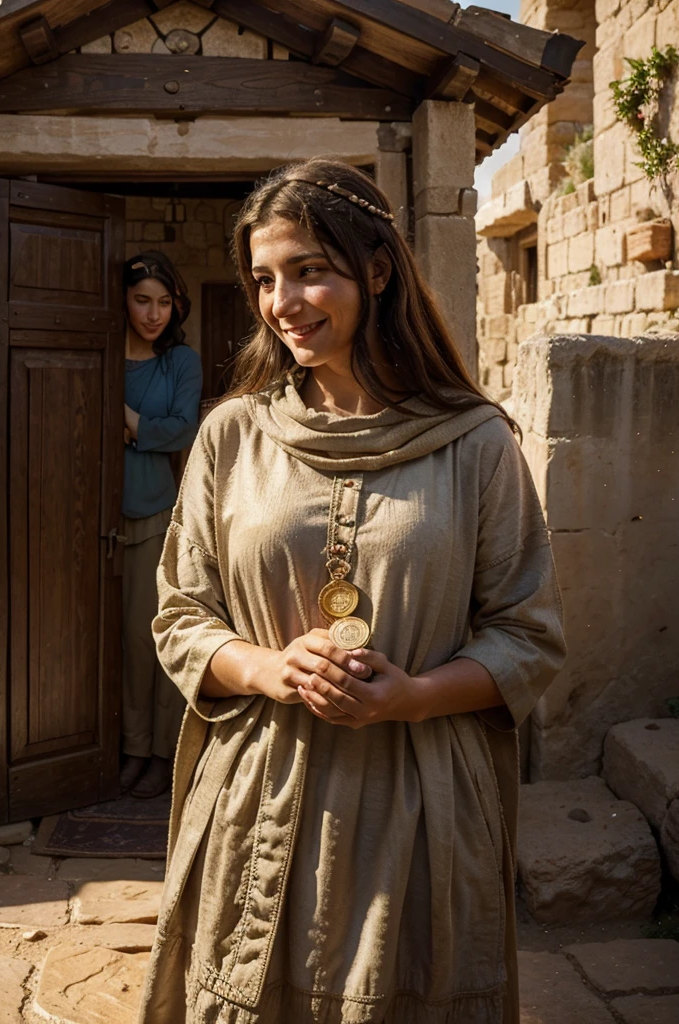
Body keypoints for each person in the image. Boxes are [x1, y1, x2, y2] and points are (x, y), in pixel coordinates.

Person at [138, 160, 566, 1022]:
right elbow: (181, 613)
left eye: (309, 271)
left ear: (376, 272)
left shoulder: (476, 443)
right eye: (264, 278)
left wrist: (408, 697)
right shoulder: (232, 434)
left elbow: (529, 636)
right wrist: (265, 668)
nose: (282, 301)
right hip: (259, 797)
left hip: (419, 807)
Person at [120, 250, 202, 799]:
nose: (154, 314)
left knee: (149, 637)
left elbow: (181, 431)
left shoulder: (180, 362)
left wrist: (125, 420)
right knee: (106, 643)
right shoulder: (98, 353)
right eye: (142, 300)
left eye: (164, 302)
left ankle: (155, 751)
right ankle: (118, 744)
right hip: (79, 518)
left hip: (150, 511)